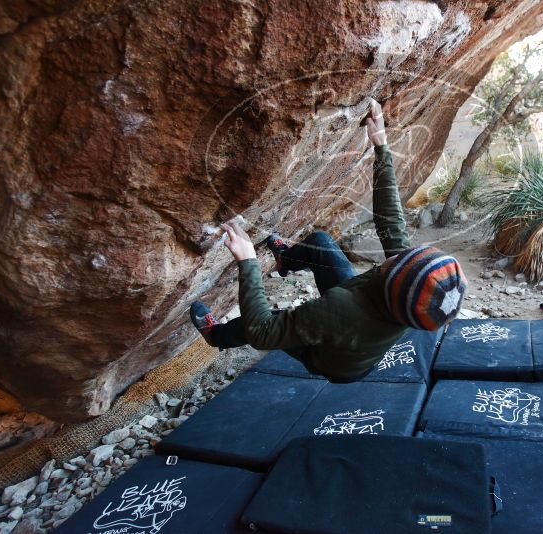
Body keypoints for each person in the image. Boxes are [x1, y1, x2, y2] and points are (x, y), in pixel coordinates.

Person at [189, 99, 468, 381]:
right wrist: (381, 147)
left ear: (391, 276)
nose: (403, 251)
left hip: (332, 361)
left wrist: (247, 262)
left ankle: (218, 336)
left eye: (406, 255)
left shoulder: (343, 309)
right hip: (359, 324)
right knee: (320, 242)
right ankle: (286, 260)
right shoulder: (405, 290)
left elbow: (262, 333)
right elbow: (389, 219)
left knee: (266, 320)